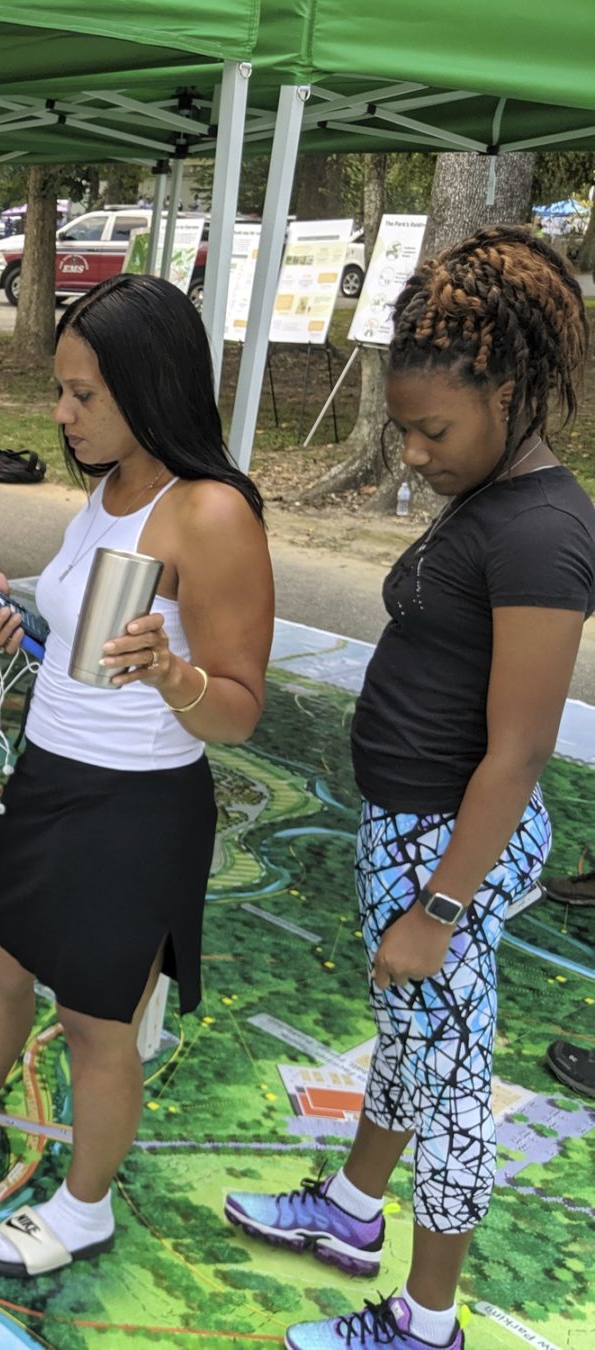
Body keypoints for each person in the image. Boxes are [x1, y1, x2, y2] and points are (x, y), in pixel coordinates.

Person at [0, 273, 274, 1281]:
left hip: (137, 803)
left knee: (97, 1024)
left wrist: (172, 672)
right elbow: (88, 647)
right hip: (50, 772)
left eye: (84, 395)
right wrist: (25, 622)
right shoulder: (107, 490)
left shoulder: (210, 514)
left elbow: (239, 706)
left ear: (152, 386)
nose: (61, 414)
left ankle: (84, 1210)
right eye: (61, 391)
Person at [224, 226, 593, 1350]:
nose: (415, 455)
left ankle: (429, 1322)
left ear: (513, 392)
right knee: (409, 1040)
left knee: (449, 1084)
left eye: (433, 431)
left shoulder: (541, 533)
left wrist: (438, 908)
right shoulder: (492, 500)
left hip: (449, 845)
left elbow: (520, 752)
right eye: (404, 430)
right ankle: (347, 1213)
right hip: (417, 830)